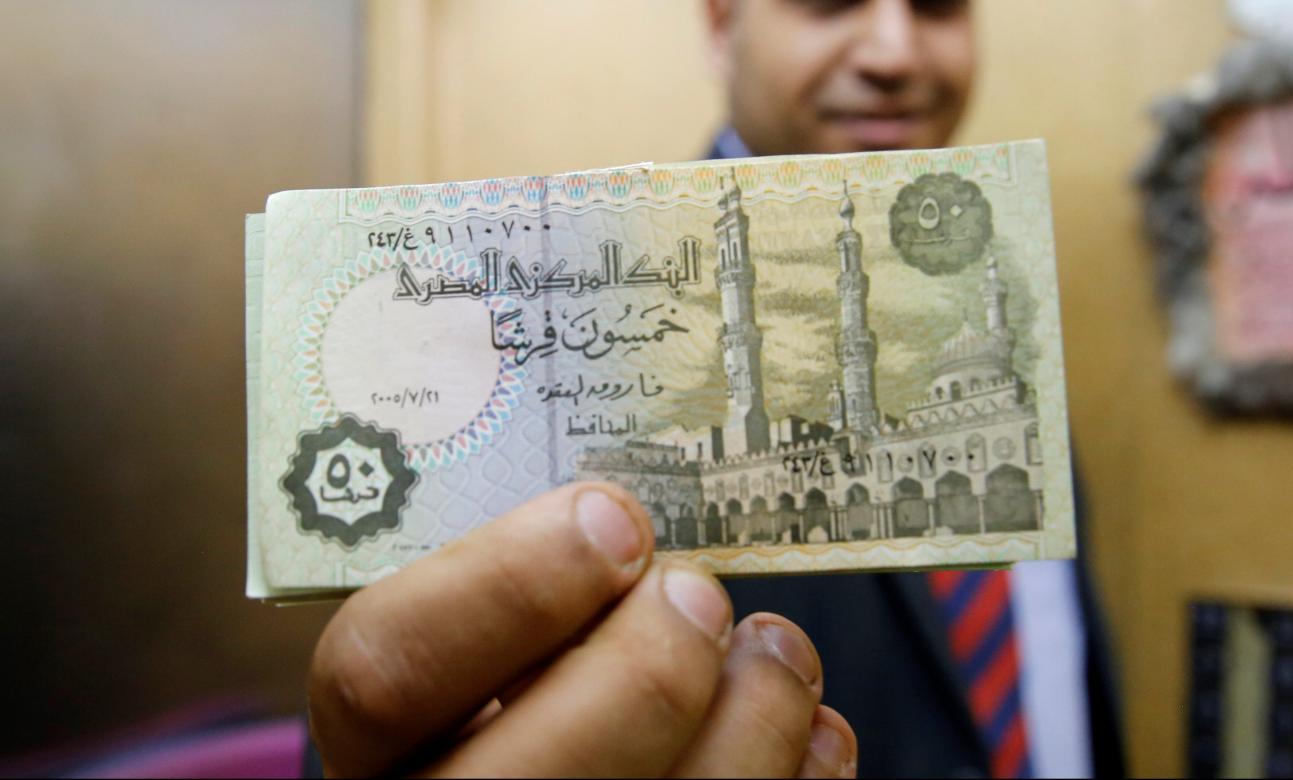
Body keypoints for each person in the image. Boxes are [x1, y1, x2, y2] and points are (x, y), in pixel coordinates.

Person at [304, 1, 1123, 776]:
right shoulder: (580, 341)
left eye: (940, 6)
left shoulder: (987, 299)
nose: (896, 52)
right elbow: (421, 692)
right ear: (724, 26)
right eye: (830, 3)